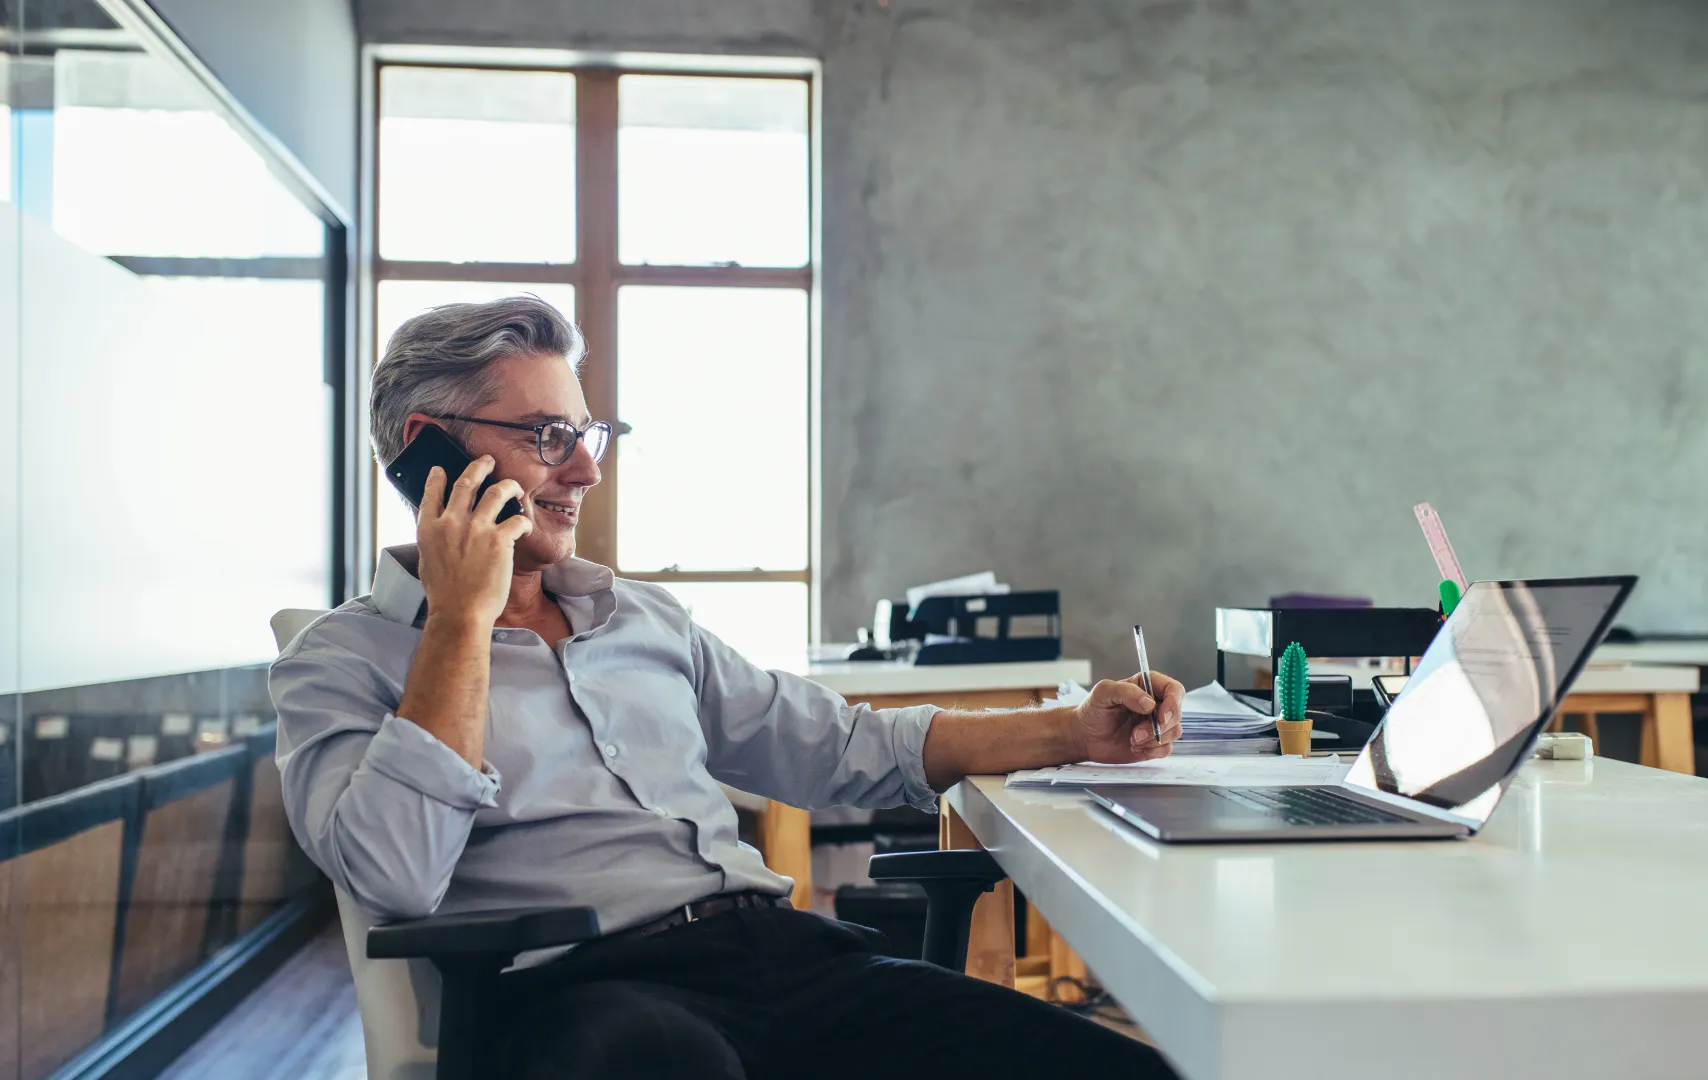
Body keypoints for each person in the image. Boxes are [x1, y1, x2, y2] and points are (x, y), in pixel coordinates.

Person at [272, 296, 1186, 1079]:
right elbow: (394, 872)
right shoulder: (340, 661)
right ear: (426, 452)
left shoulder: (643, 620)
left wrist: (1076, 729)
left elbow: (846, 747)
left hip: (783, 958)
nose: (586, 469)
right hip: (584, 997)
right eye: (549, 437)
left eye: (586, 436)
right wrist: (463, 620)